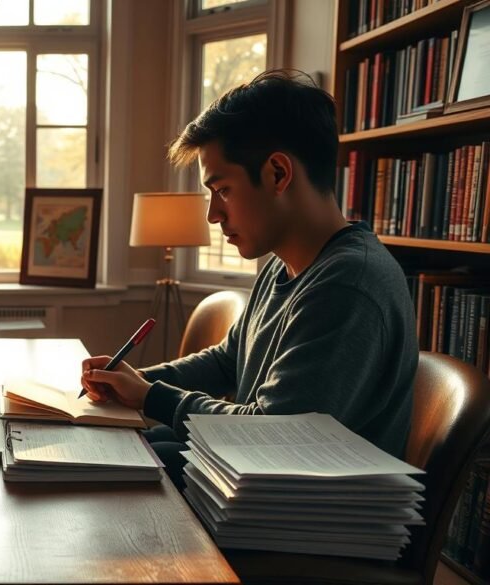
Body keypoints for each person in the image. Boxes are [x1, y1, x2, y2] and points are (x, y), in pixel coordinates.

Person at [80, 70, 417, 488]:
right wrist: (137, 379)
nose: (213, 214)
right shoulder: (285, 263)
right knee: (122, 450)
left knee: (110, 476)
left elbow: (274, 432)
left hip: (311, 513)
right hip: (258, 476)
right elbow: (227, 360)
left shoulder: (348, 284)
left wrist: (151, 396)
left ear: (278, 173)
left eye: (221, 190)